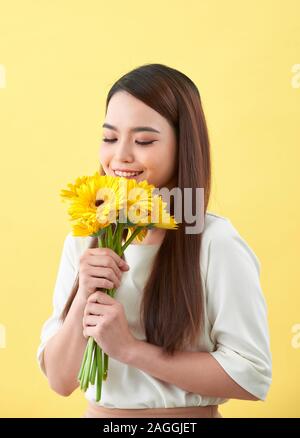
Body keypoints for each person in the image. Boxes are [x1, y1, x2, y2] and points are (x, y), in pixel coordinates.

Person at [37, 63, 272, 418]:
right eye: (110, 137)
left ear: (184, 146)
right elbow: (59, 379)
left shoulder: (214, 241)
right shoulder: (85, 238)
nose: (121, 157)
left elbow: (251, 376)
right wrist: (84, 295)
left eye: (144, 140)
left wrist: (131, 350)